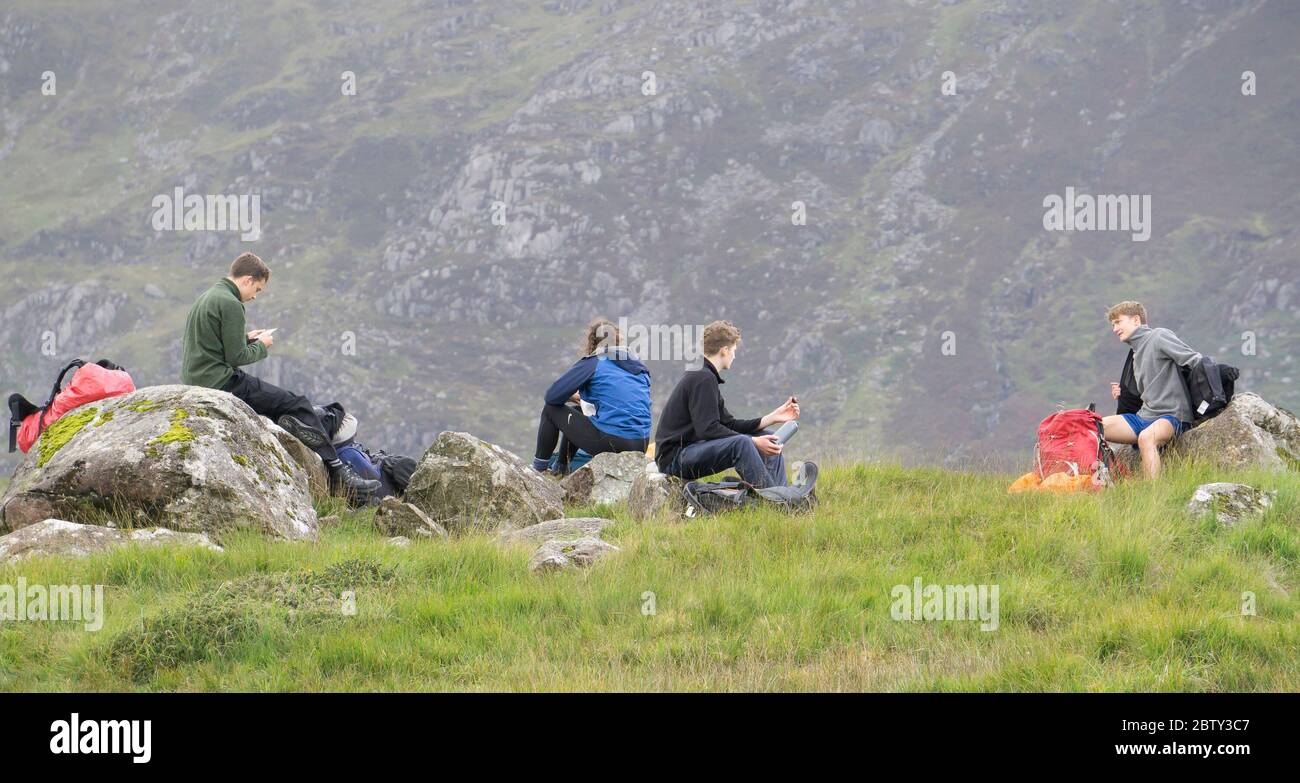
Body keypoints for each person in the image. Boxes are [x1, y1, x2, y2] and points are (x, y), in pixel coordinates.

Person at [180, 252, 381, 501]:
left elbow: (210, 344)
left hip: (199, 379)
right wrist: (262, 345)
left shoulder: (208, 296)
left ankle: (291, 428)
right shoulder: (231, 303)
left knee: (280, 407)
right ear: (248, 280)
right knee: (296, 403)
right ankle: (338, 470)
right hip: (222, 383)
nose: (254, 296)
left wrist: (245, 337)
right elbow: (236, 357)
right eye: (257, 289)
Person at [654, 320, 799, 488]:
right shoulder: (702, 378)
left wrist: (772, 418)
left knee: (768, 436)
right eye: (734, 351)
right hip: (674, 459)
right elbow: (707, 429)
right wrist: (752, 441)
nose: (734, 356)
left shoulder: (705, 375)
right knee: (742, 443)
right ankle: (773, 501)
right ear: (724, 350)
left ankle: (780, 493)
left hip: (691, 450)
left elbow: (729, 424)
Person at [532, 318, 651, 475]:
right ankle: (560, 468)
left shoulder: (595, 361)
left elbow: (552, 397)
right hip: (641, 443)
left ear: (593, 344)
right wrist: (578, 400)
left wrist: (570, 396)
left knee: (550, 411)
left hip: (613, 441)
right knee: (578, 412)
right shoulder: (639, 369)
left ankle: (538, 470)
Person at [1101, 301, 1201, 478]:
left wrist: (1205, 402)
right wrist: (1123, 395)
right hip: (1144, 416)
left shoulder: (1159, 336)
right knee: (1095, 427)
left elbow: (1194, 360)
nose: (1115, 329)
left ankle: (1152, 495)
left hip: (1172, 416)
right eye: (1113, 325)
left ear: (1136, 320)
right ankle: (1098, 481)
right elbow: (1147, 392)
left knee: (1146, 438)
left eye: (1118, 322)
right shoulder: (1135, 352)